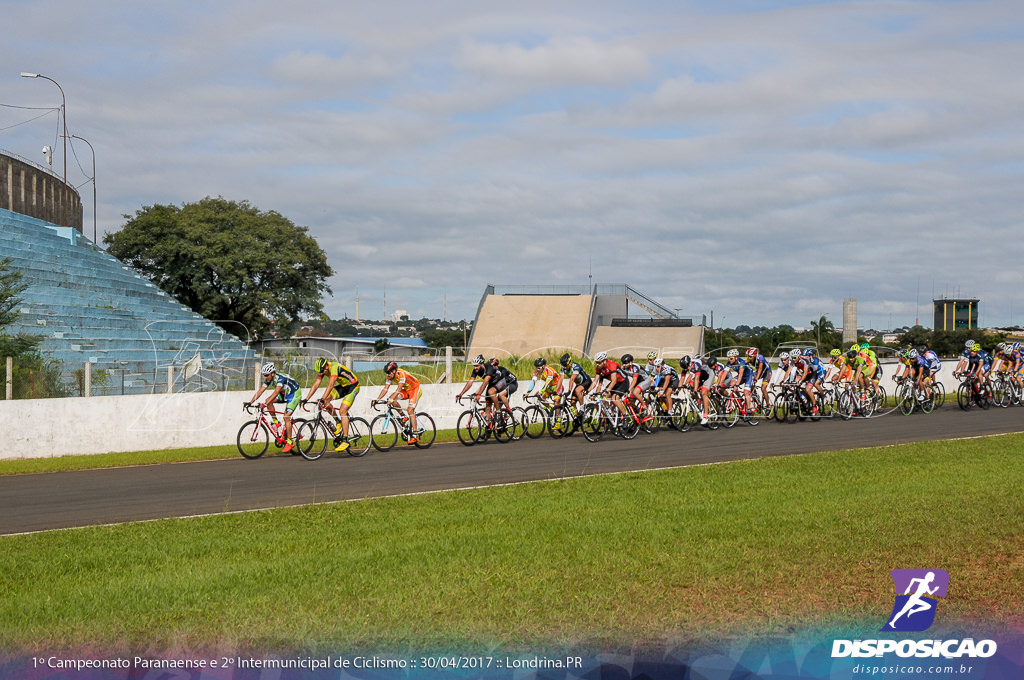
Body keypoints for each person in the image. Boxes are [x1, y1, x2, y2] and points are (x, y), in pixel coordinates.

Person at [246, 362, 302, 454]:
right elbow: (260, 392)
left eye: (267, 375)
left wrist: (265, 403)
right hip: (284, 394)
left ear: (272, 373)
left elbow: (276, 392)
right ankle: (276, 423)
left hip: (294, 394)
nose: (265, 377)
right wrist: (250, 402)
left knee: (286, 417)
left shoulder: (280, 378)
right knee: (269, 400)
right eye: (264, 375)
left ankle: (290, 442)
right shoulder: (268, 380)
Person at [306, 357, 360, 452]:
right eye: (320, 373)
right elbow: (316, 384)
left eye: (323, 372)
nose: (322, 374)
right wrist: (306, 399)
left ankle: (345, 440)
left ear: (326, 367)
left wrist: (322, 398)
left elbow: (331, 385)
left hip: (353, 386)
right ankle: (338, 421)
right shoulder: (323, 369)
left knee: (343, 410)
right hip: (343, 387)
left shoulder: (334, 367)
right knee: (326, 401)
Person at [374, 361, 422, 445]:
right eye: (386, 373)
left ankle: (415, 435)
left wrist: (392, 399)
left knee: (410, 410)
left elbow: (399, 389)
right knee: (391, 398)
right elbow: (385, 389)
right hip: (406, 390)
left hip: (415, 389)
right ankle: (403, 416)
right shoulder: (389, 377)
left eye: (389, 372)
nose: (388, 375)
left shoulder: (401, 374)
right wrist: (377, 399)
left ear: (394, 371)